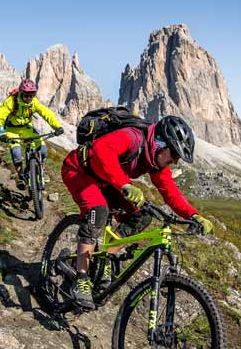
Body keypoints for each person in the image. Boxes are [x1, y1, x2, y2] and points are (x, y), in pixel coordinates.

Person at [60, 115, 214, 309]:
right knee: (97, 211)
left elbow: (170, 192)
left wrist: (193, 215)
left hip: (107, 180)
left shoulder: (156, 161)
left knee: (142, 216)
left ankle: (105, 257)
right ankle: (81, 279)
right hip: (79, 172)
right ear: (162, 143)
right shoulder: (132, 137)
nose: (175, 161)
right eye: (174, 154)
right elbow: (102, 150)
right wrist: (123, 184)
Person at [0, 79, 64, 189]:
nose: (29, 98)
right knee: (16, 153)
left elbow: (47, 113)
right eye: (26, 95)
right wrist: (1, 133)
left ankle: (41, 169)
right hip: (12, 130)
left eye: (32, 95)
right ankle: (21, 176)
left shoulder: (33, 102)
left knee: (43, 149)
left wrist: (57, 126)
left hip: (27, 128)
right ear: (21, 93)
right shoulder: (12, 102)